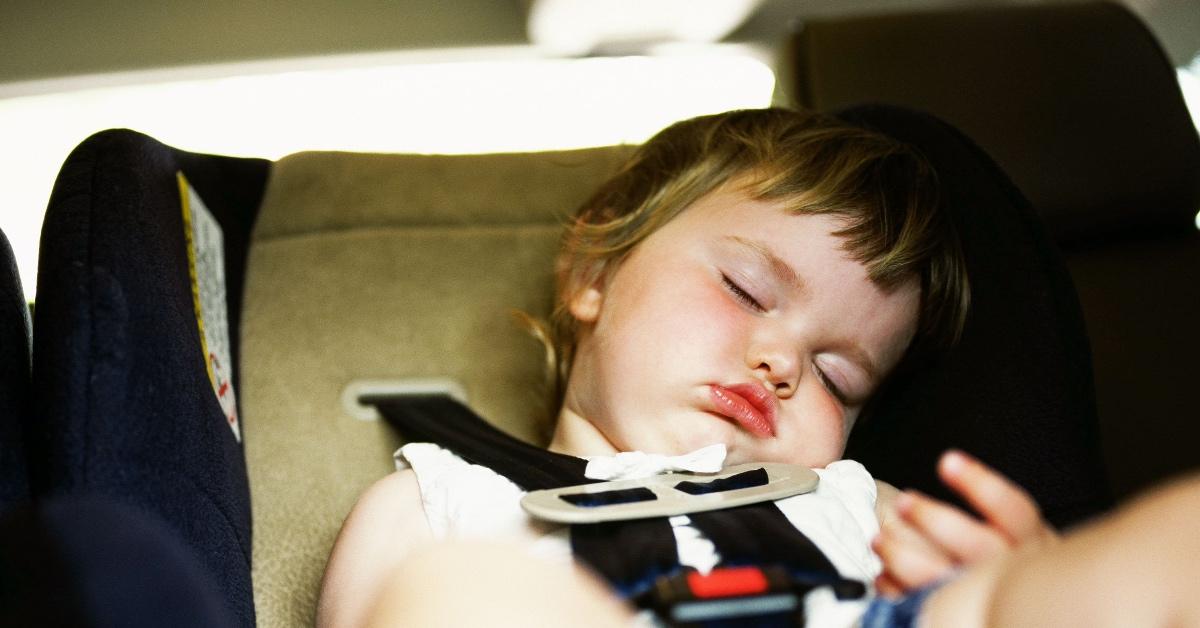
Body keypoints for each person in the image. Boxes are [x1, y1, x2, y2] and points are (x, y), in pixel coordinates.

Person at [317, 107, 1199, 627]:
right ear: (593, 273)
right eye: (745, 289)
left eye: (839, 377)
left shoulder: (858, 498)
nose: (781, 362)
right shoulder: (444, 496)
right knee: (461, 589)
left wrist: (1019, 577)